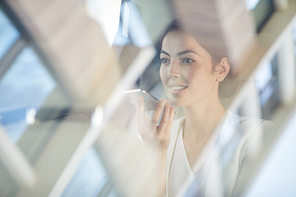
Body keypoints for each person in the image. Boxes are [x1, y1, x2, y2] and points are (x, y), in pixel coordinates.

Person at [137, 14, 271, 197]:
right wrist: (157, 156)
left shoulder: (253, 135)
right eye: (165, 60)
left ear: (221, 69)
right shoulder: (159, 138)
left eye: (187, 60)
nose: (171, 72)